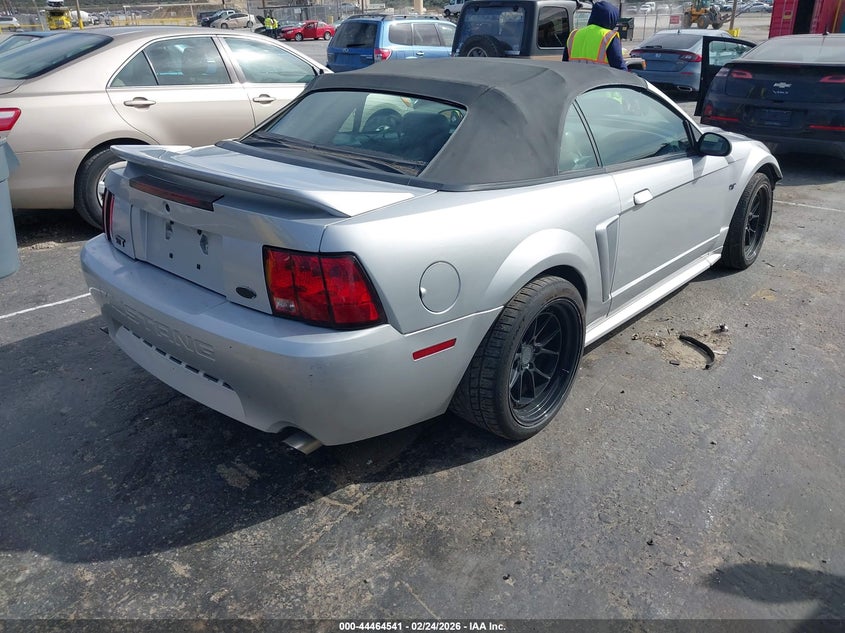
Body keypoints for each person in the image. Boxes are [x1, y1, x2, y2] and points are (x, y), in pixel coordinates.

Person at [562, 0, 627, 71]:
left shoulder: (574, 35)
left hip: (576, 80)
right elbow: (619, 68)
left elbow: (565, 64)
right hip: (601, 81)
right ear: (611, 19)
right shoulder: (609, 36)